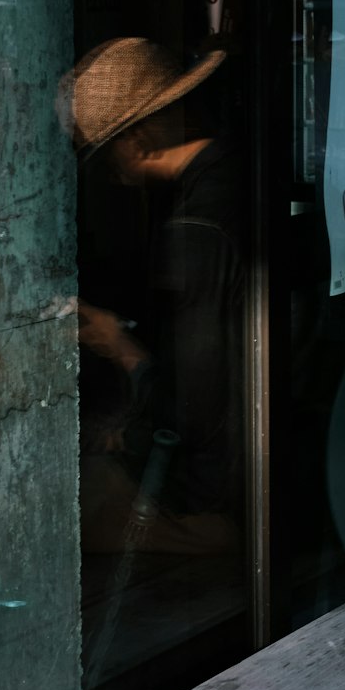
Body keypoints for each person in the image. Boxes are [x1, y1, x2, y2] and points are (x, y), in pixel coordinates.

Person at [58, 37, 244, 555]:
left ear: (136, 140)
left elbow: (195, 414)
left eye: (103, 150)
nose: (106, 173)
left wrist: (119, 347)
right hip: (272, 463)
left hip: (222, 500)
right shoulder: (243, 176)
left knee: (73, 504)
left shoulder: (194, 230)